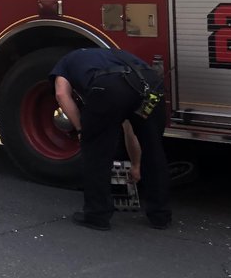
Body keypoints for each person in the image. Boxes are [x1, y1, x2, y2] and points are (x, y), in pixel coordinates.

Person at [51, 46, 172, 231]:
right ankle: (160, 215)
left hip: (111, 88)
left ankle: (96, 215)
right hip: (151, 86)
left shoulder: (64, 63)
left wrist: (82, 130)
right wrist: (136, 164)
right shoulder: (112, 55)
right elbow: (130, 128)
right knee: (153, 147)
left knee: (96, 152)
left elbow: (61, 94)